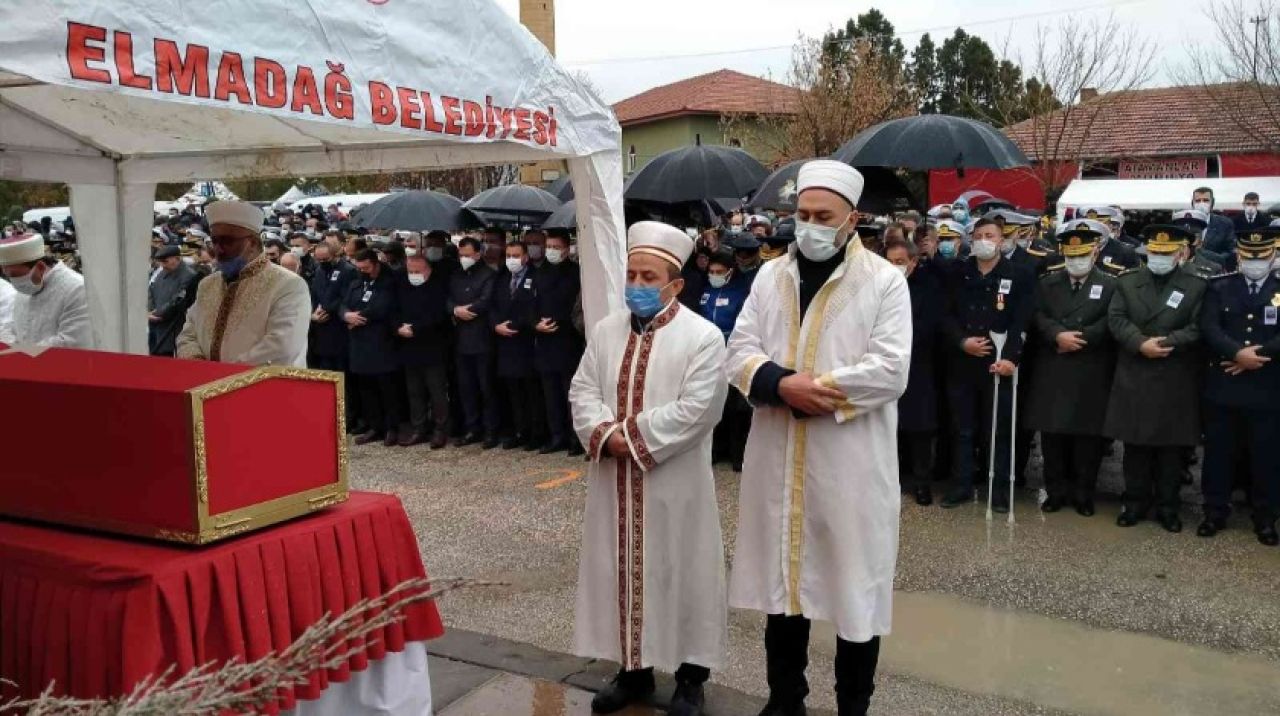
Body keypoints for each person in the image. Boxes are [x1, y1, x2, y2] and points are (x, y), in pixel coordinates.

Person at [726, 161, 911, 716]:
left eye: (822, 216)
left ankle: (854, 706)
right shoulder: (769, 276)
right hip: (778, 457)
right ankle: (786, 700)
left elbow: (890, 370)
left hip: (850, 465)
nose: (809, 226)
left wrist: (815, 391)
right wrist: (782, 384)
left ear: (851, 218)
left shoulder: (884, 282)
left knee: (855, 589)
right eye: (802, 214)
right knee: (784, 590)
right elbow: (739, 351)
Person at [569, 221, 728, 716]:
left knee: (682, 571)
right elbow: (583, 390)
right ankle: (632, 673)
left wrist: (626, 437)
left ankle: (689, 678)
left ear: (675, 284)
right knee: (619, 571)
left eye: (648, 276)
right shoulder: (606, 330)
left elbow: (699, 409)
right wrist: (600, 432)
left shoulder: (702, 337)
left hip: (674, 482)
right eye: (631, 275)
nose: (636, 285)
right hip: (614, 483)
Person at [1105, 225, 1208, 533]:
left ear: (1180, 253)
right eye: (1154, 252)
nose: (1159, 258)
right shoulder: (1127, 281)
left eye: (1166, 253)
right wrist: (1140, 343)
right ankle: (1134, 502)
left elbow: (1199, 326)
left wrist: (1167, 343)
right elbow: (1116, 318)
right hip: (1136, 370)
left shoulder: (1197, 285)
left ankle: (1168, 506)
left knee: (1171, 450)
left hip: (1175, 373)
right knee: (1135, 446)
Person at [938, 217, 1036, 510]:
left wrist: (1011, 359)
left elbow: (1022, 320)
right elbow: (945, 315)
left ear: (1001, 239)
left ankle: (999, 489)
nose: (983, 240)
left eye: (989, 235)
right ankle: (962, 484)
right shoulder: (958, 272)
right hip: (963, 362)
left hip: (998, 363)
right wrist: (961, 341)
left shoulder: (1018, 274)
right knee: (962, 427)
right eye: (978, 235)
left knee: (997, 429)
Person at [1024, 228, 1118, 516]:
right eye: (1071, 256)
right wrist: (1057, 335)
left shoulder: (1112, 284)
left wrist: (1080, 338)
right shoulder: (1048, 282)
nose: (1076, 261)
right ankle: (1055, 492)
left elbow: (1112, 319)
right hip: (1054, 366)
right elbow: (1038, 315)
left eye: (1083, 255)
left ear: (1095, 252)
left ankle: (1083, 494)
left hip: (1090, 368)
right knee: (1053, 437)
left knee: (1087, 440)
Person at [1197, 228, 1280, 546]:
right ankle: (1214, 511)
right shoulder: (1219, 286)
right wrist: (1235, 353)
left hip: (1267, 384)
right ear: (1239, 255)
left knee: (1266, 454)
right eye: (1249, 256)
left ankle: (1266, 517)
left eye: (1261, 256)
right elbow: (1209, 326)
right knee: (1219, 452)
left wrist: (1256, 355)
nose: (1255, 261)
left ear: (1272, 255)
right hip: (1224, 383)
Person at [178, 201, 311, 367]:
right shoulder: (207, 284)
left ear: (253, 243)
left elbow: (282, 347)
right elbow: (188, 333)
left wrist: (222, 376)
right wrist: (197, 364)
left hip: (264, 388)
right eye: (215, 241)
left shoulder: (289, 285)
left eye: (227, 241)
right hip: (203, 386)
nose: (219, 249)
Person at [886, 236, 942, 507]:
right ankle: (892, 480)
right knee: (890, 425)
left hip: (918, 364)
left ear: (913, 262)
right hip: (886, 363)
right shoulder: (879, 286)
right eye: (890, 262)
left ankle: (921, 483)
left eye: (900, 262)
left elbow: (931, 324)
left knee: (920, 428)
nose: (895, 266)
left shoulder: (928, 287)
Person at [532, 232, 584, 455]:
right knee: (550, 393)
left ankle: (575, 438)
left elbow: (576, 306)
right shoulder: (540, 272)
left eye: (556, 246)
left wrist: (559, 322)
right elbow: (530, 301)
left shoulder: (576, 273)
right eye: (549, 246)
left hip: (567, 339)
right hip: (544, 340)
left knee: (569, 392)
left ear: (566, 249)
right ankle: (557, 435)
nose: (551, 250)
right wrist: (535, 323)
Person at [700, 249, 752, 471]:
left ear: (730, 272)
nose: (714, 275)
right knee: (712, 405)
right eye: (711, 271)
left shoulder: (741, 293)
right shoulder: (705, 292)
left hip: (731, 355)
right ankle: (715, 451)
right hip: (707, 357)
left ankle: (736, 455)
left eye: (719, 272)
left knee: (735, 409)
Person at [344, 248, 402, 446]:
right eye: (359, 268)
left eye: (366, 267)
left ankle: (392, 427)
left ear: (375, 264)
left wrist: (358, 317)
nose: (362, 271)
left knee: (387, 390)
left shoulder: (389, 282)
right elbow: (343, 304)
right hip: (359, 344)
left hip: (381, 343)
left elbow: (382, 307)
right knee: (366, 389)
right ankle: (375, 426)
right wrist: (346, 315)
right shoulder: (356, 282)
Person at [396, 252, 452, 449]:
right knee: (415, 391)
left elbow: (439, 316)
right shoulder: (403, 285)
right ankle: (418, 428)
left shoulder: (438, 287)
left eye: (417, 271)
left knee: (436, 391)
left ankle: (440, 429)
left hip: (432, 346)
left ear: (428, 270)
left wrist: (416, 329)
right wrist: (398, 327)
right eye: (410, 271)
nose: (413, 275)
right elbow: (393, 310)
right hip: (409, 346)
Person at [492, 241, 543, 450]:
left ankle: (535, 432)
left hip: (525, 342)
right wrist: (496, 325)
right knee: (512, 392)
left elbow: (533, 308)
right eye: (508, 255)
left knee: (530, 392)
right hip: (504, 342)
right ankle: (518, 430)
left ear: (525, 257)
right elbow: (492, 306)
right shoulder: (502, 277)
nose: (512, 259)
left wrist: (516, 324)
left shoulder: (535, 277)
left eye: (516, 255)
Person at [0, 233, 91, 349]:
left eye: (16, 275)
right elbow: (14, 329)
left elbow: (71, 342)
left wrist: (20, 355)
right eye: (8, 276)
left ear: (40, 267)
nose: (14, 282)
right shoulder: (24, 290)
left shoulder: (77, 289)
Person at [450, 237, 499, 448]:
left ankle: (491, 430)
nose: (464, 259)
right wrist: (454, 310)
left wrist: (469, 310)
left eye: (468, 255)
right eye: (461, 255)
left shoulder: (488, 274)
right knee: (466, 387)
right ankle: (472, 428)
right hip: (461, 339)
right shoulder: (456, 274)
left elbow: (486, 300)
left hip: (482, 339)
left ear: (478, 254)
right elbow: (448, 298)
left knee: (486, 387)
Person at [147, 245, 199, 357]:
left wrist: (159, 313)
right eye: (161, 262)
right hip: (156, 326)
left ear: (177, 259)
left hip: (173, 328)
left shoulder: (188, 276)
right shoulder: (162, 273)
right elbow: (151, 290)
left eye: (165, 261)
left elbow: (178, 301)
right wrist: (150, 310)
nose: (162, 265)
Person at [1192, 186, 1237, 265]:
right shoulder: (1184, 223)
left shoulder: (1224, 224)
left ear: (1212, 202)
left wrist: (1213, 258)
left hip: (1216, 271)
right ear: (1192, 203)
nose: (1201, 204)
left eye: (1206, 200)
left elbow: (1231, 252)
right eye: (1198, 201)